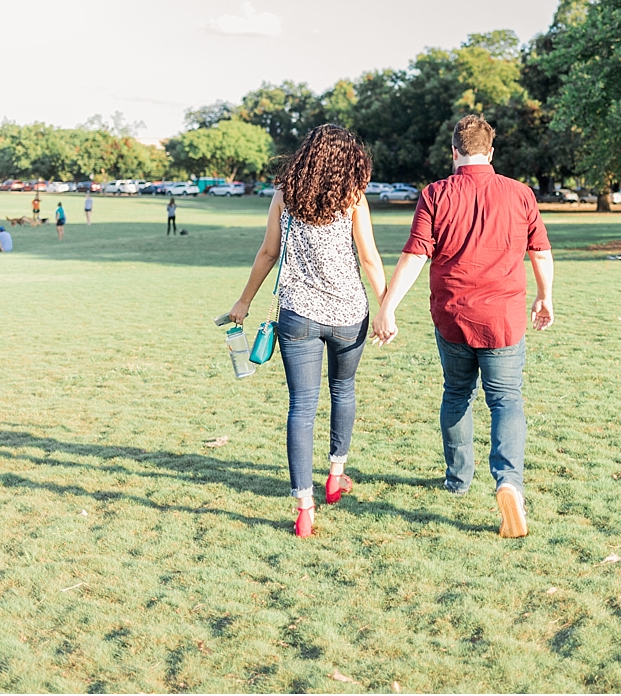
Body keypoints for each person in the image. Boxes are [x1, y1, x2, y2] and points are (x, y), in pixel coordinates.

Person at [371, 115, 554, 539]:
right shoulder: (520, 193)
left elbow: (415, 255)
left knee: (457, 393)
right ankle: (509, 482)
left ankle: (458, 480)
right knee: (506, 399)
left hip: (453, 315)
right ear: (491, 152)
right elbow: (540, 252)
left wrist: (387, 308)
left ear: (453, 151)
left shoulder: (435, 194)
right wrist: (544, 296)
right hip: (505, 318)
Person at [229, 124, 386, 539]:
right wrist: (387, 306)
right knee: (344, 390)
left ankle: (305, 507)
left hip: (297, 316)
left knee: (301, 406)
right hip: (349, 313)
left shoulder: (285, 195)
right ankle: (336, 475)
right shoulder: (354, 199)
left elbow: (268, 252)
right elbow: (369, 258)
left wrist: (243, 301)